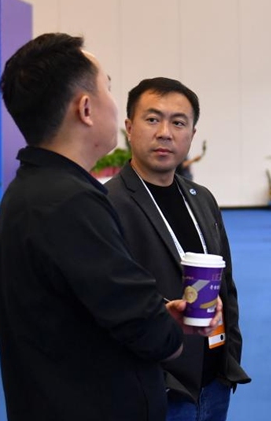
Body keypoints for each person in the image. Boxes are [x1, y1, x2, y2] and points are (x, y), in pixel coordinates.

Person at [0, 33, 220, 421]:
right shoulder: (71, 202)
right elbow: (144, 327)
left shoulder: (35, 188)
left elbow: (95, 304)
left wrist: (161, 314)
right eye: (109, 89)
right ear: (86, 108)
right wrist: (164, 329)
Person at [106, 77, 250, 421]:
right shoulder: (108, 204)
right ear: (129, 127)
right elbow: (112, 299)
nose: (165, 133)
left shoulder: (202, 199)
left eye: (178, 122)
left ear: (192, 134)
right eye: (152, 119)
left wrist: (229, 358)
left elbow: (226, 285)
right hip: (158, 389)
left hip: (214, 381)